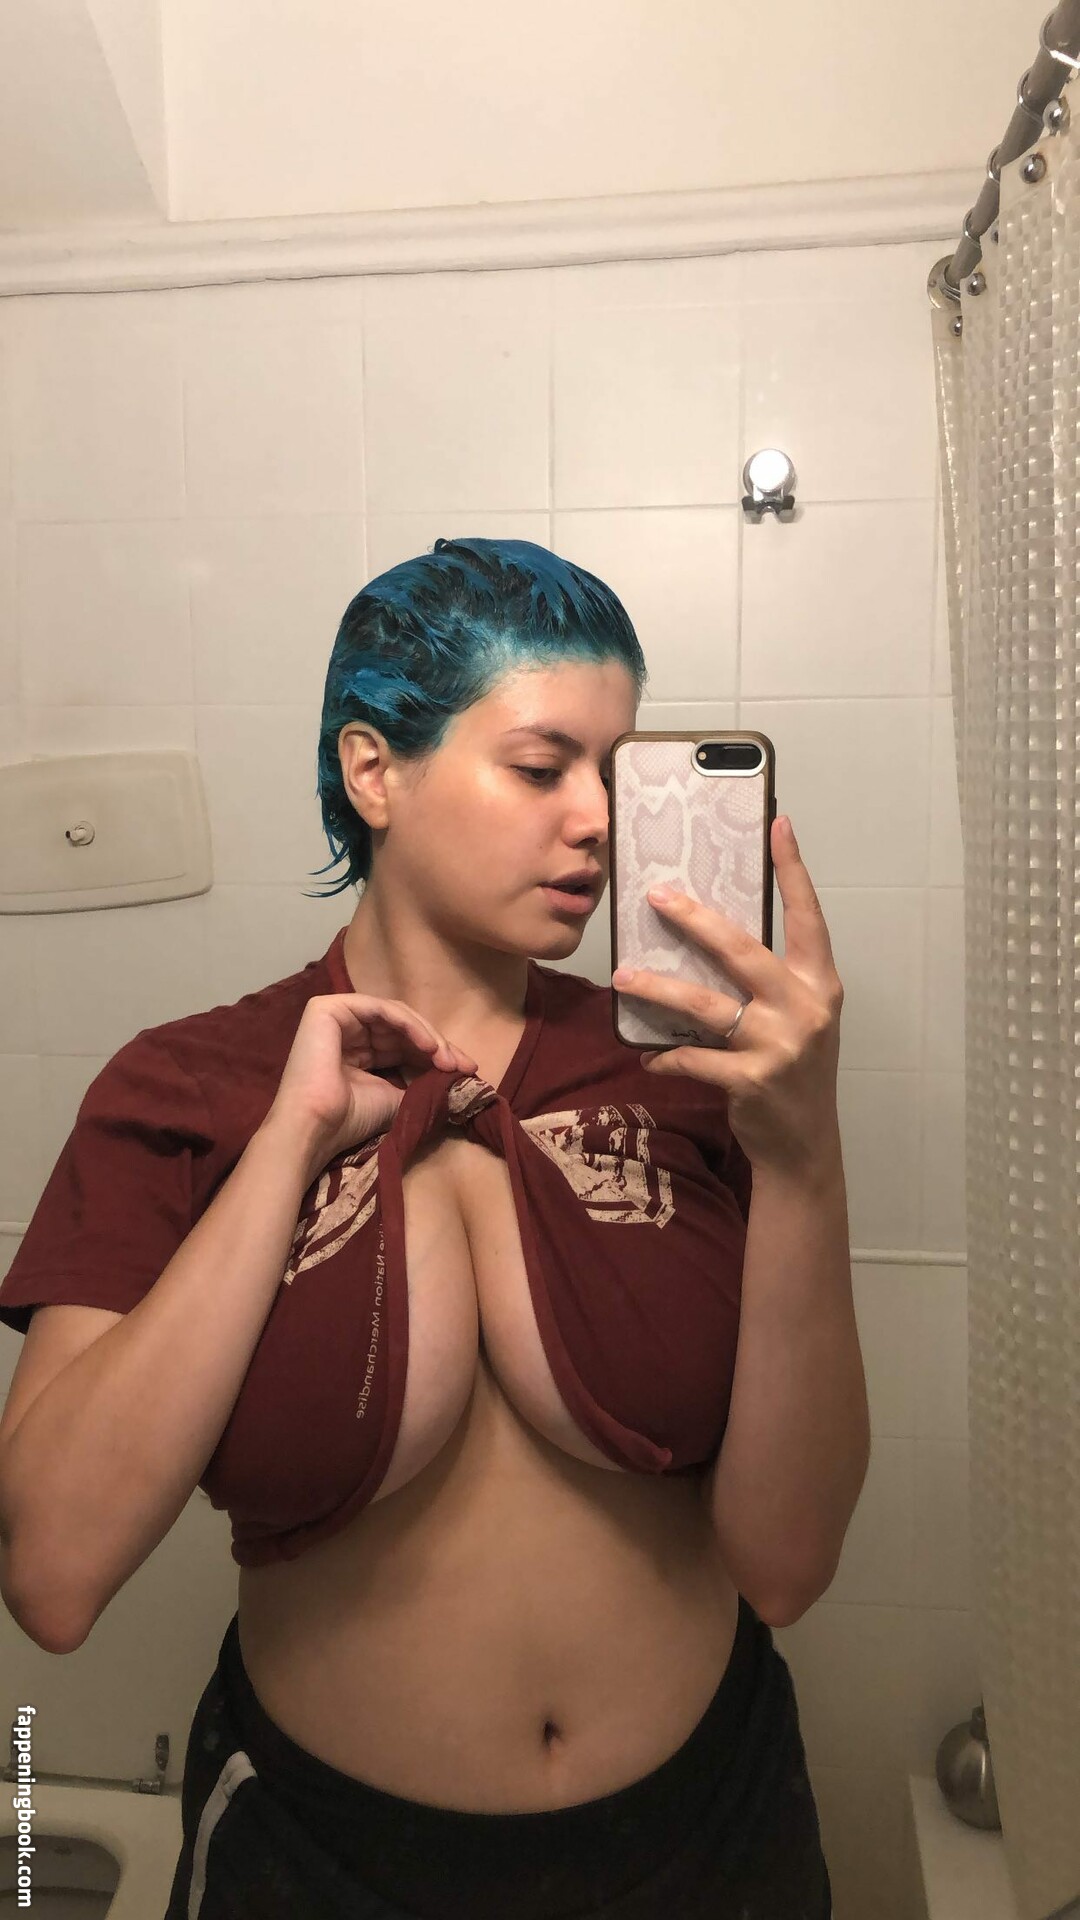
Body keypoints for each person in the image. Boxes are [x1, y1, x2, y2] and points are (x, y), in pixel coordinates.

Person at [0, 538, 836, 1918]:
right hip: (324, 1864)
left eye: (616, 770)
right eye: (542, 766)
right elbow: (53, 1574)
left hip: (715, 1832)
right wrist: (288, 1145)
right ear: (374, 771)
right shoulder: (185, 1088)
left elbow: (790, 1565)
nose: (598, 820)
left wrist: (804, 1155)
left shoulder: (693, 1067)